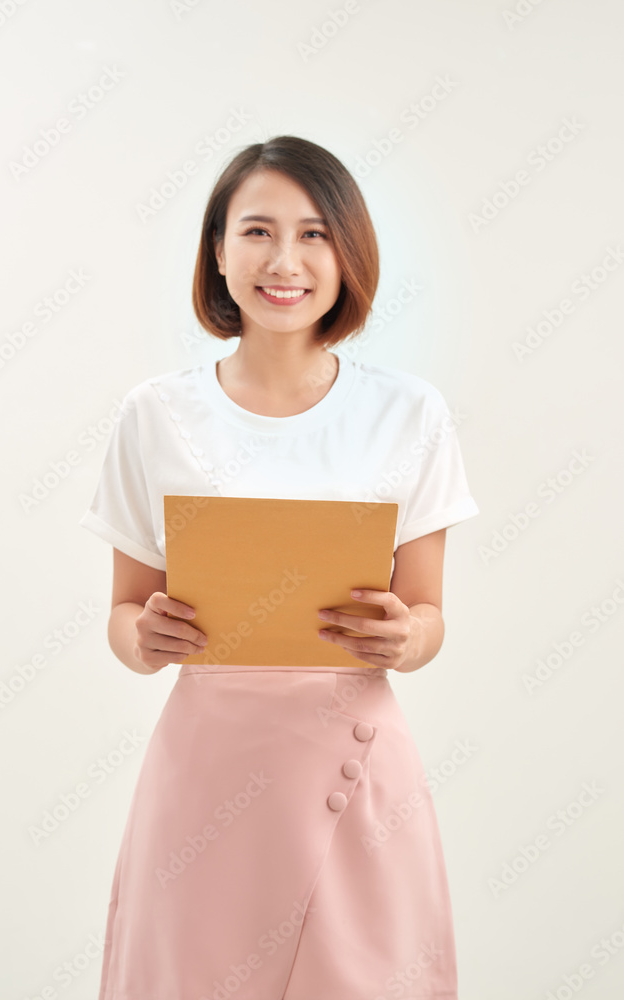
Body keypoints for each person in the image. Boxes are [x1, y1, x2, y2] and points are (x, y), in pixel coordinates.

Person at [79, 134, 479, 999]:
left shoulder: (408, 412)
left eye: (313, 234)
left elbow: (428, 617)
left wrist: (402, 638)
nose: (284, 261)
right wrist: (144, 637)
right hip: (204, 774)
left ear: (347, 254)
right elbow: (122, 617)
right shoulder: (155, 415)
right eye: (256, 231)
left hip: (355, 769)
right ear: (217, 253)